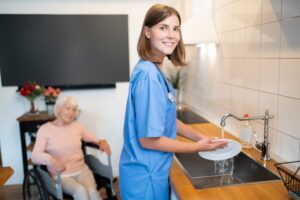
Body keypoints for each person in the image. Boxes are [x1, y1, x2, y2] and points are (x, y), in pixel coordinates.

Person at [119, 4, 227, 200]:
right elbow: (149, 140)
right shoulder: (148, 75)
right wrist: (197, 148)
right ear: (147, 32)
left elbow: (168, 120)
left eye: (175, 28)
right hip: (145, 179)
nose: (171, 35)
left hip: (152, 173)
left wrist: (201, 138)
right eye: (163, 27)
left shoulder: (155, 70)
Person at [32, 96, 111, 200]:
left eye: (74, 110)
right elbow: (35, 156)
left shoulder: (77, 127)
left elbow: (93, 138)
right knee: (80, 191)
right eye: (68, 108)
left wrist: (101, 141)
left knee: (92, 193)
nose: (71, 113)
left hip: (82, 170)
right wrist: (50, 159)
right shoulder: (45, 129)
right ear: (59, 109)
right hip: (60, 175)